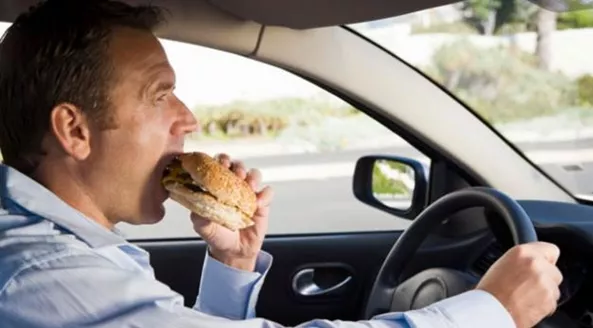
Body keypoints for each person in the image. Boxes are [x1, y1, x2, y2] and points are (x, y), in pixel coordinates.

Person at [0, 1, 562, 327]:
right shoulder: (42, 277)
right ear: (75, 130)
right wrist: (492, 310)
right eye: (158, 94)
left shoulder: (70, 251)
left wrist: (232, 267)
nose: (188, 118)